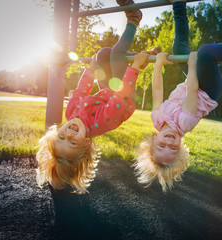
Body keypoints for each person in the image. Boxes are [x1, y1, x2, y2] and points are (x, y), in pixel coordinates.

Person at [133, 0, 222, 192]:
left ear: (153, 140)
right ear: (180, 146)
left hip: (193, 81)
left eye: (161, 147)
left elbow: (157, 92)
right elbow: (192, 90)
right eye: (173, 149)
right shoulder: (185, 124)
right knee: (205, 53)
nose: (168, 143)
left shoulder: (157, 119)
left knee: (178, 49)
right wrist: (192, 64)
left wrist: (158, 65)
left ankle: (178, 4)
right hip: (209, 89)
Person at [36, 1, 159, 194]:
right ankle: (134, 18)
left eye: (61, 137)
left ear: (58, 131)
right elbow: (121, 98)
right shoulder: (100, 123)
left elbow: (80, 92)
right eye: (73, 142)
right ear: (85, 144)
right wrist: (133, 68)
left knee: (103, 54)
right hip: (123, 96)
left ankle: (141, 58)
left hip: (106, 90)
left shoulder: (70, 113)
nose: (69, 134)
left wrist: (91, 69)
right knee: (118, 53)